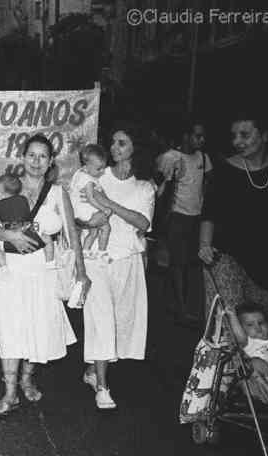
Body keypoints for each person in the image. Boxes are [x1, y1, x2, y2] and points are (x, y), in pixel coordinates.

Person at [0, 134, 88, 415]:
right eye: (32, 155)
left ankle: (27, 379)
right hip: (9, 270)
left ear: (51, 161)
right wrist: (10, 235)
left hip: (43, 269)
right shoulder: (9, 187)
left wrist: (82, 272)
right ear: (23, 157)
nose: (37, 161)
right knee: (10, 328)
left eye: (43, 156)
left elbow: (71, 234)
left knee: (37, 327)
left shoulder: (57, 193)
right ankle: (10, 392)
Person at [78, 123, 155, 410]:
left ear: (136, 148)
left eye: (121, 143)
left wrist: (109, 204)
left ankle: (91, 370)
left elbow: (143, 223)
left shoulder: (145, 186)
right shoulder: (98, 176)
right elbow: (80, 212)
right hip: (97, 258)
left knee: (121, 323)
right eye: (113, 142)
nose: (113, 148)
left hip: (128, 261)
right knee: (100, 321)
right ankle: (102, 386)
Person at [198, 113, 268, 323]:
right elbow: (209, 212)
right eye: (234, 136)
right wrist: (204, 245)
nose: (237, 142)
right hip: (225, 256)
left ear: (264, 135)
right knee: (228, 324)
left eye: (244, 135)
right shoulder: (224, 170)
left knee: (260, 329)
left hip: (267, 263)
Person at [158, 122, 212, 325]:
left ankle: (170, 301)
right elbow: (158, 186)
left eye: (203, 136)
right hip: (177, 216)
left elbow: (208, 183)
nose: (201, 140)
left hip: (197, 218)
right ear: (186, 136)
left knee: (186, 263)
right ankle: (182, 309)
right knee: (178, 263)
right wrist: (170, 179)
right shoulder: (171, 157)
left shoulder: (204, 158)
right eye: (197, 136)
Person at [0, 173, 56, 272]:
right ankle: (50, 263)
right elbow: (30, 216)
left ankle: (4, 267)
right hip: (30, 237)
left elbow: (0, 223)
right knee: (47, 239)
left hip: (9, 242)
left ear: (3, 194)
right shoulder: (23, 200)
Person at [225, 302, 268, 410]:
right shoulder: (250, 342)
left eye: (261, 323)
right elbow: (239, 336)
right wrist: (232, 316)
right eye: (250, 325)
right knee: (256, 363)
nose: (258, 328)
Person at [69, 144, 111, 259]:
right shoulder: (88, 180)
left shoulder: (79, 174)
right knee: (106, 227)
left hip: (78, 212)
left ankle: (85, 251)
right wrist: (104, 209)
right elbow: (91, 199)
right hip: (85, 212)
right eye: (99, 169)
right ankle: (102, 251)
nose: (102, 171)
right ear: (86, 167)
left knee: (94, 232)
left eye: (103, 167)